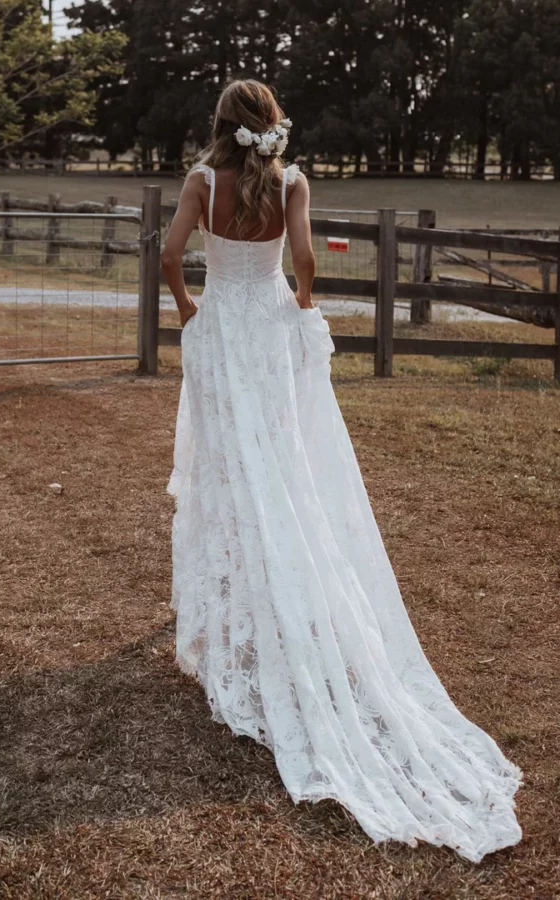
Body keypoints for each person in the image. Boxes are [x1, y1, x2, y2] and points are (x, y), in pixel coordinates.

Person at [161, 79, 522, 863]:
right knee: (282, 463)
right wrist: (300, 300)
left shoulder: (200, 182)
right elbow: (301, 256)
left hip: (223, 330)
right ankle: (287, 581)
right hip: (268, 328)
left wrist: (191, 308)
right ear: (270, 130)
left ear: (221, 127)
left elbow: (167, 255)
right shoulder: (291, 182)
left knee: (229, 466)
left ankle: (241, 601)